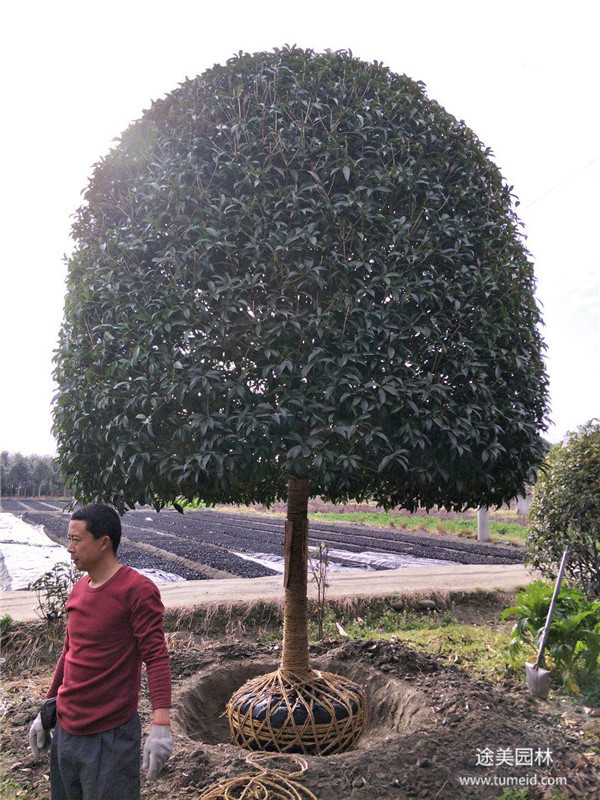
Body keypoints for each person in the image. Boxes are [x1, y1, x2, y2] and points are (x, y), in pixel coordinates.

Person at [29, 503, 173, 800]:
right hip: (67, 732)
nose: (69, 548)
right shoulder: (79, 590)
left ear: (104, 542)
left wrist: (161, 725)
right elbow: (69, 652)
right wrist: (46, 709)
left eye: (76, 540)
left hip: (110, 737)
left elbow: (156, 657)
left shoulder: (137, 590)